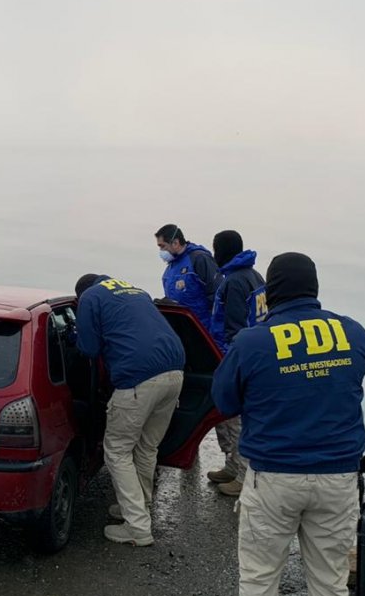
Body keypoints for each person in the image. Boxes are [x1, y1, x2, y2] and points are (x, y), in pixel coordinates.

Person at [211, 252, 365, 596]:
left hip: (273, 478)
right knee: (330, 580)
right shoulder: (354, 332)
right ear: (314, 287)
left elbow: (223, 400)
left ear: (272, 292)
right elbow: (352, 376)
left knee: (259, 577)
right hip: (339, 477)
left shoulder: (252, 342)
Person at [74, 273, 185, 546]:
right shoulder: (137, 290)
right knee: (147, 447)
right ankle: (139, 508)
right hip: (175, 373)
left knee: (117, 450)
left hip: (138, 379)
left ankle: (137, 527)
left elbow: (87, 348)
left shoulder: (90, 297)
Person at [206, 230, 264, 498]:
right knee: (231, 418)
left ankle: (242, 475)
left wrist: (230, 363)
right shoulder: (254, 275)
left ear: (221, 251)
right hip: (257, 352)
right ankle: (231, 467)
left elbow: (234, 328)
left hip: (236, 355)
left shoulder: (235, 282)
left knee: (236, 419)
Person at [155, 224, 222, 332]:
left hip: (203, 330)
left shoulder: (199, 259)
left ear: (175, 243)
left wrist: (215, 331)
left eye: (162, 246)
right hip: (182, 330)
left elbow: (217, 293)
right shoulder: (169, 270)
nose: (161, 251)